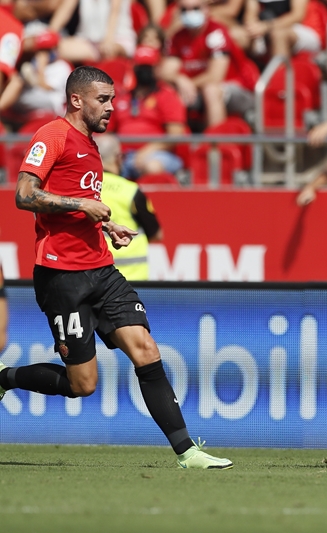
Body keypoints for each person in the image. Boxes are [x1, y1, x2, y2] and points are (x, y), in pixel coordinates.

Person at [7, 66, 231, 469]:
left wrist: (105, 223)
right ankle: (5, 378)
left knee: (145, 349)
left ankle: (188, 453)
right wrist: (82, 205)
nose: (112, 107)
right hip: (62, 276)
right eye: (103, 99)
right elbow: (24, 195)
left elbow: (76, 201)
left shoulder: (91, 144)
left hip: (102, 270)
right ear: (77, 100)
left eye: (112, 98)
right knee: (83, 384)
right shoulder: (52, 136)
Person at [162, 0, 257, 130]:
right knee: (167, 93)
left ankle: (215, 146)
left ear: (206, 9)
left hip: (236, 88)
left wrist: (189, 84)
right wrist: (179, 79)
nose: (189, 13)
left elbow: (215, 76)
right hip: (196, 89)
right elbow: (165, 71)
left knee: (211, 90)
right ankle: (179, 146)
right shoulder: (178, 37)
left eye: (195, 8)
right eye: (184, 10)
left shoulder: (216, 32)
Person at [111, 45, 187, 179]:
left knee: (152, 166)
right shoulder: (122, 96)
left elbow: (175, 135)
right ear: (134, 67)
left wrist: (146, 151)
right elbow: (108, 131)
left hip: (157, 154)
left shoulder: (167, 95)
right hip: (123, 155)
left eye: (149, 66)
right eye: (142, 66)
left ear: (157, 68)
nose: (145, 71)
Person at [96, 133, 164, 280]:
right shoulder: (131, 190)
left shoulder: (82, 189)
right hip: (132, 280)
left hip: (95, 276)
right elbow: (157, 234)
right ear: (118, 158)